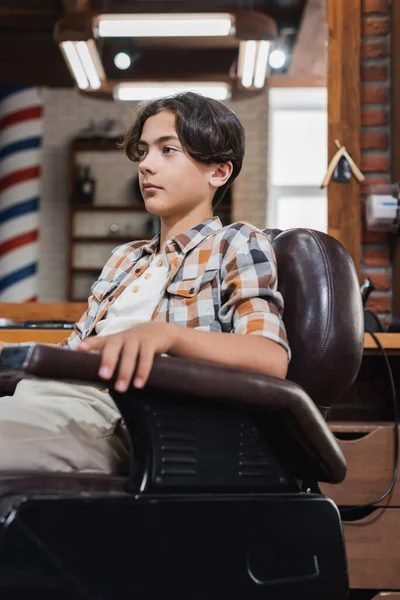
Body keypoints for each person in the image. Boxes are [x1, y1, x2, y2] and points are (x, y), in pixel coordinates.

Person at [0, 92, 290, 475]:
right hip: (46, 401)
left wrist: (166, 336)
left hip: (125, 421)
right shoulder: (126, 257)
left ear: (218, 171)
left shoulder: (236, 243)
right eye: (143, 151)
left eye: (167, 150)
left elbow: (270, 359)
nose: (146, 165)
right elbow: (76, 350)